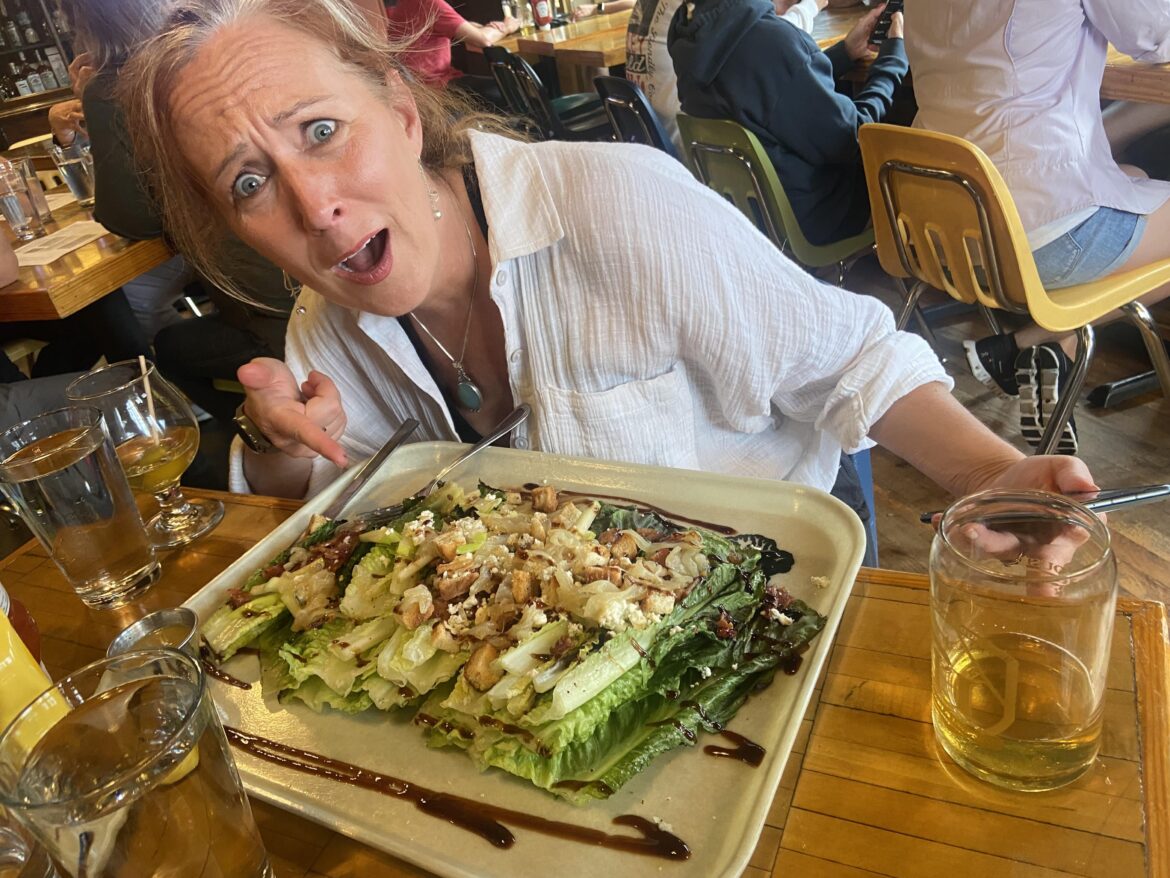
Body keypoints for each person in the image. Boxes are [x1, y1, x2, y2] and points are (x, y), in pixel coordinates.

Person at [119, 0, 1095, 518]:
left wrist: (989, 473)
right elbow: (350, 492)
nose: (313, 205)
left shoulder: (613, 199)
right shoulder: (324, 326)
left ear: (402, 108)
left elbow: (854, 363)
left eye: (322, 128)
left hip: (778, 567)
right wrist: (289, 446)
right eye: (248, 182)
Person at [906, 0, 1170, 453]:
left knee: (1134, 178)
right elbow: (1156, 33)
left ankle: (1047, 351)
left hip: (944, 231)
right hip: (1038, 238)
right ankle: (1026, 344)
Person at [669, 0, 905, 247]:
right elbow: (855, 137)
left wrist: (844, 53)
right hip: (817, 217)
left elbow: (775, 92)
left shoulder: (691, 38)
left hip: (748, 214)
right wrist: (893, 61)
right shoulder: (773, 41)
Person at [627, 0, 827, 149]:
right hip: (694, 152)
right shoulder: (699, 10)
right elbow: (768, 45)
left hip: (657, 144)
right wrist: (810, 6)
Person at [385, 0, 520, 110]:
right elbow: (484, 40)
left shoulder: (407, 4)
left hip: (421, 89)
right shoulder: (429, 3)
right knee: (509, 90)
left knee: (506, 87)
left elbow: (463, 26)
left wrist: (490, 28)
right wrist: (507, 27)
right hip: (438, 88)